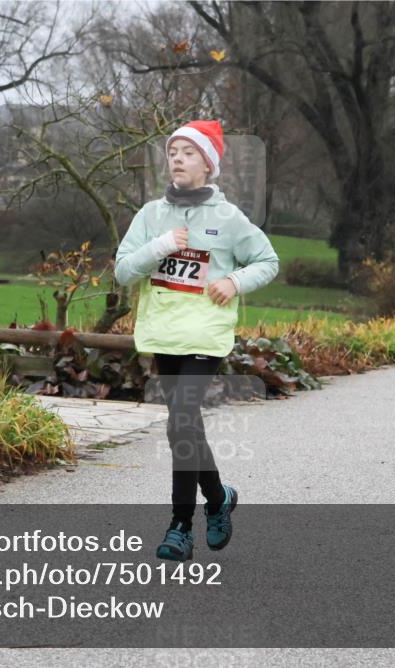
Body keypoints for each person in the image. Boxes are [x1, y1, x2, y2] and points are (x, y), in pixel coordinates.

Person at [113, 119, 279, 561]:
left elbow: (267, 260)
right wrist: (161, 246)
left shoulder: (228, 218)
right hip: (165, 333)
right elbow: (124, 269)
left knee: (181, 420)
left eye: (188, 153)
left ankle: (180, 526)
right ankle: (218, 496)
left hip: (206, 335)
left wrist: (236, 282)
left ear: (207, 164)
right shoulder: (150, 216)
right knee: (182, 427)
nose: (178, 160)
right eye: (173, 153)